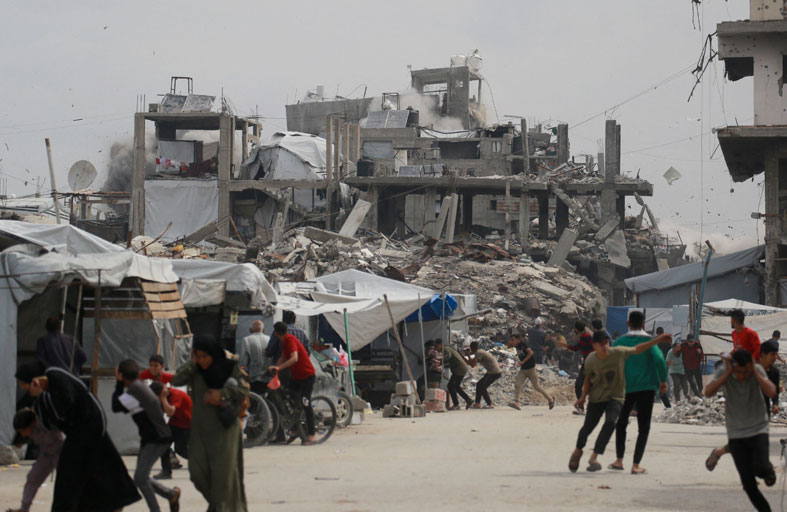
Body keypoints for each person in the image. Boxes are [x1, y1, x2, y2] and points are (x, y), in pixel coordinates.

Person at [15, 360, 140, 511]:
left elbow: (66, 403)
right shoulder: (44, 395)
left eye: (23, 384)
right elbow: (52, 421)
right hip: (77, 431)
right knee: (92, 469)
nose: (22, 388)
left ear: (34, 380)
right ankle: (111, 504)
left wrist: (42, 394)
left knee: (70, 472)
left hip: (90, 424)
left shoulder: (55, 375)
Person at [568, 330, 670, 473]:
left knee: (611, 422)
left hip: (616, 396)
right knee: (588, 428)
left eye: (606, 343)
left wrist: (657, 340)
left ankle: (594, 456)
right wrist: (583, 397)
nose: (605, 347)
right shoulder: (590, 360)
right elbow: (588, 380)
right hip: (597, 397)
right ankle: (578, 451)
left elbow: (637, 349)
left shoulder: (617, 353)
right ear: (594, 345)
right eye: (601, 344)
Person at [172, 335, 249, 511]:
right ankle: (218, 505)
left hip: (224, 430)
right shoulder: (195, 370)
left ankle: (223, 507)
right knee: (197, 473)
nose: (202, 360)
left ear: (213, 354)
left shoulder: (229, 367)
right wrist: (193, 363)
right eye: (198, 356)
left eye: (204, 356)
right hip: (200, 430)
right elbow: (177, 380)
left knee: (223, 477)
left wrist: (221, 395)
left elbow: (244, 389)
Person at [704, 349, 776, 511]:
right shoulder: (725, 371)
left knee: (760, 468)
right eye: (738, 372)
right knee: (749, 485)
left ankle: (768, 470)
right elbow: (708, 392)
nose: (742, 376)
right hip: (736, 432)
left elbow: (771, 391)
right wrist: (728, 373)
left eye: (745, 372)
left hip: (758, 428)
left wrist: (754, 372)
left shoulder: (756, 370)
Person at [112, 359, 180, 512]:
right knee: (141, 477)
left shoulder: (136, 390)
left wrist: (118, 383)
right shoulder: (138, 388)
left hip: (158, 438)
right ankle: (171, 494)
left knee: (141, 477)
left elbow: (116, 405)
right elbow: (119, 406)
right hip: (151, 437)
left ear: (122, 376)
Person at [706, 341, 782, 473]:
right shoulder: (748, 368)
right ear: (762, 355)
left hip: (762, 412)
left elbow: (774, 391)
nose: (775, 358)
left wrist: (775, 404)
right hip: (744, 411)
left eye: (776, 355)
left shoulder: (774, 372)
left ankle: (760, 465)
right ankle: (721, 453)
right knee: (742, 442)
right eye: (772, 355)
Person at [609, 311, 668, 474]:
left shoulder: (619, 341)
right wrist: (663, 381)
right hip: (646, 388)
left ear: (628, 324)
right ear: (643, 324)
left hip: (623, 388)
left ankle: (619, 460)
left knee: (621, 423)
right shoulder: (649, 341)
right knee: (643, 426)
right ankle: (635, 465)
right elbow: (659, 360)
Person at [269, 321, 317, 445]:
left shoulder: (290, 340)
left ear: (276, 333)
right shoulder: (284, 342)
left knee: (306, 403)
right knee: (289, 399)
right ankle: (296, 429)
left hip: (307, 376)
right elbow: (283, 357)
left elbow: (294, 358)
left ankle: (311, 435)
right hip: (296, 377)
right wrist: (275, 368)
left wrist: (279, 368)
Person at [9, 407, 64, 512]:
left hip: (60, 452)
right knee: (32, 478)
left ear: (32, 423)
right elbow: (18, 441)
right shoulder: (26, 429)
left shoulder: (45, 421)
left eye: (23, 431)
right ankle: (24, 508)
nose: (23, 434)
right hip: (45, 454)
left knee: (65, 481)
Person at [150, 381, 192, 481]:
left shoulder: (176, 395)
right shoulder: (160, 398)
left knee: (181, 449)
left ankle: (202, 461)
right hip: (175, 422)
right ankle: (166, 472)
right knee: (163, 443)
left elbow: (170, 412)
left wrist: (163, 398)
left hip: (188, 424)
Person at [555, 321, 594, 414]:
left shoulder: (585, 336)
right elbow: (576, 348)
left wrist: (565, 345)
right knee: (588, 385)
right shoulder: (586, 336)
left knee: (579, 385)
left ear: (576, 329)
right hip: (590, 363)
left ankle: (583, 408)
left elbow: (575, 348)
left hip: (589, 363)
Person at [507, 333, 554, 411]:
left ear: (518, 340)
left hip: (531, 369)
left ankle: (550, 399)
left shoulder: (523, 344)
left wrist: (523, 361)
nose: (512, 341)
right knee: (517, 384)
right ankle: (517, 403)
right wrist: (510, 342)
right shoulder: (516, 345)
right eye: (511, 340)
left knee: (536, 387)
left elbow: (531, 353)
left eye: (513, 340)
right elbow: (508, 347)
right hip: (523, 369)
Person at [238, 320, 270, 395]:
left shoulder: (246, 340)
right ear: (263, 330)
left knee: (255, 398)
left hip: (253, 378)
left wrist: (243, 374)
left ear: (250, 330)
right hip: (268, 377)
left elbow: (243, 362)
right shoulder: (269, 339)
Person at [468, 341, 502, 409]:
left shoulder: (478, 353)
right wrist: (469, 355)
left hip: (494, 372)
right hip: (491, 372)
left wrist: (468, 355)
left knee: (483, 387)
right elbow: (472, 361)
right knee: (479, 384)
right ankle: (477, 403)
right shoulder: (479, 352)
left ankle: (490, 404)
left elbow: (472, 364)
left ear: (472, 348)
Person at [443, 342, 472, 410]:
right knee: (456, 386)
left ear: (438, 345)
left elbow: (448, 357)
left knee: (450, 386)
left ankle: (456, 404)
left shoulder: (446, 349)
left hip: (459, 369)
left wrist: (440, 361)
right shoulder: (450, 348)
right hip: (461, 368)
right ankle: (468, 400)